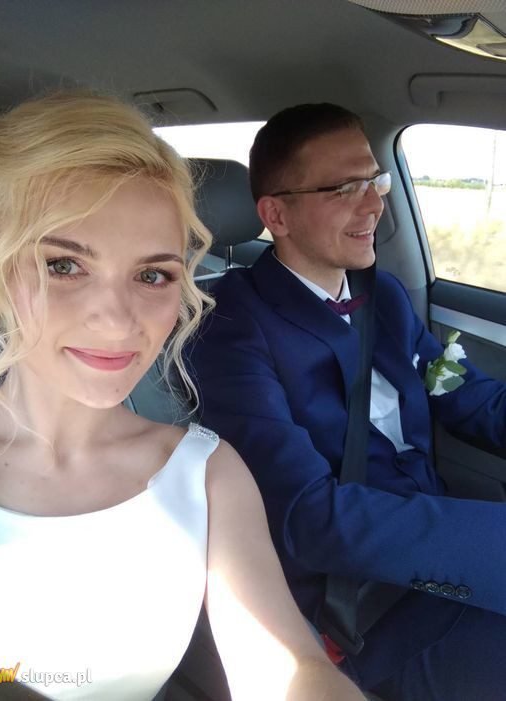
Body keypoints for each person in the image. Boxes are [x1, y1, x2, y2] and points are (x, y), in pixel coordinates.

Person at [0, 93, 365, 701]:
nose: (117, 322)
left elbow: (286, 664)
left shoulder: (207, 474)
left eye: (152, 275)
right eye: (63, 266)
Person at [188, 103, 506, 701]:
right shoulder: (231, 324)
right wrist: (494, 544)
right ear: (276, 214)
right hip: (362, 608)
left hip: (438, 557)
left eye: (374, 180)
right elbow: (306, 516)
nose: (373, 205)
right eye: (342, 188)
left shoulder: (383, 293)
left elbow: (463, 394)